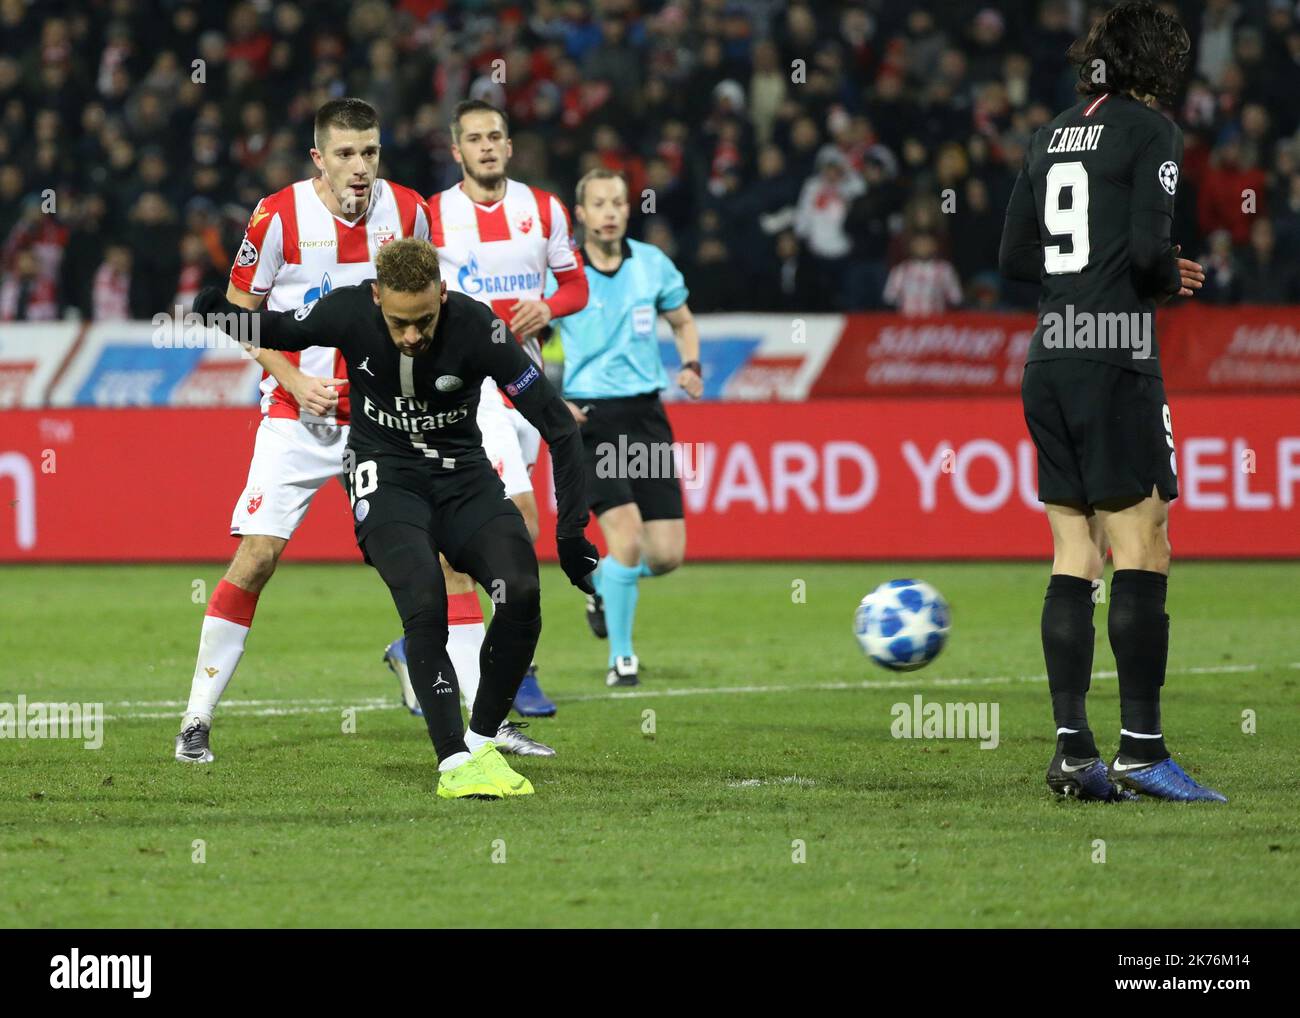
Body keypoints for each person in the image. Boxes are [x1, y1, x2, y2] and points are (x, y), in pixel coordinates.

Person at [192, 237, 599, 798]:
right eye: (401, 322)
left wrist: (572, 530)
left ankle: (480, 741)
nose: (412, 336)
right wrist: (223, 313)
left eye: (425, 320)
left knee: (523, 591)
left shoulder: (482, 329)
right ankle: (453, 760)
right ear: (377, 296)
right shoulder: (348, 309)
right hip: (386, 479)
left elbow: (557, 423)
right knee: (425, 602)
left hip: (465, 478)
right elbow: (280, 331)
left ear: (444, 294)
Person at [998, 1, 1226, 802]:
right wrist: (1169, 276)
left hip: (1048, 355)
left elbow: (1014, 254)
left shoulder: (1049, 131)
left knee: (1074, 554)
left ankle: (1072, 753)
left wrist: (1083, 276)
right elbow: (1143, 251)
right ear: (1157, 64)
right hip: (1116, 357)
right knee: (1143, 543)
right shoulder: (1152, 131)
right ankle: (1141, 749)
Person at [174, 98, 431, 764]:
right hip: (297, 418)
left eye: (370, 152)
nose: (359, 167)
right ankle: (197, 718)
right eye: (345, 154)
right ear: (319, 158)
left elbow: (425, 310)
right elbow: (235, 315)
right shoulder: (277, 216)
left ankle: (438, 682)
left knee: (434, 558)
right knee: (257, 558)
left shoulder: (409, 213)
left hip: (380, 421)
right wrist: (291, 379)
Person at [382, 99, 589, 739]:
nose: (488, 146)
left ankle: (433, 655)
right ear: (457, 150)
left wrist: (548, 307)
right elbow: (405, 288)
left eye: (496, 135)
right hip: (471, 387)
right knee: (518, 520)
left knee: (490, 536)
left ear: (509, 144)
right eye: (474, 138)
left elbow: (576, 285)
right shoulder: (432, 215)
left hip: (524, 377)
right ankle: (505, 675)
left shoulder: (545, 209)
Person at [556, 168, 701, 687]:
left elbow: (682, 320)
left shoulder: (652, 264)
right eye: (599, 203)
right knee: (627, 538)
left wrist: (691, 365)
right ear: (581, 213)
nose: (611, 211)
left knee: (666, 556)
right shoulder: (563, 270)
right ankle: (622, 660)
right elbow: (526, 336)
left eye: (618, 201)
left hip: (646, 415)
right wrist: (552, 398)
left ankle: (601, 586)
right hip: (590, 417)